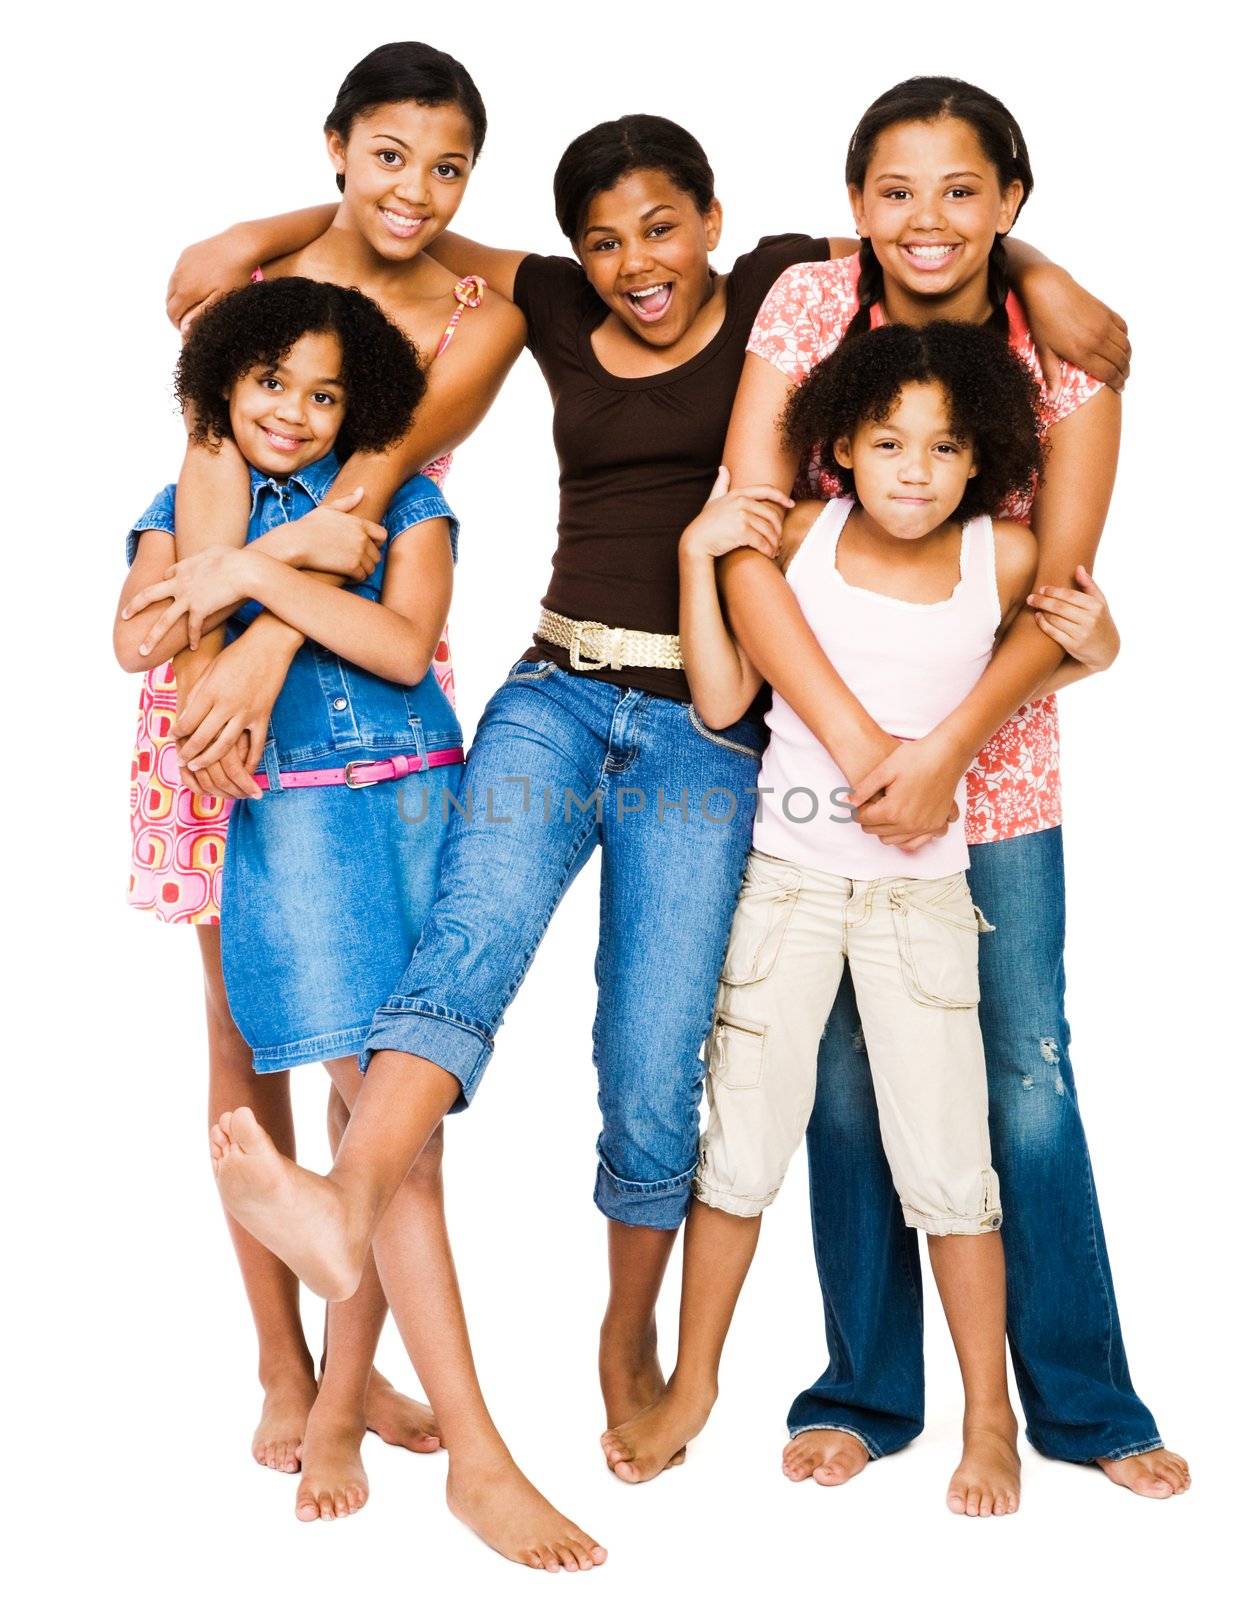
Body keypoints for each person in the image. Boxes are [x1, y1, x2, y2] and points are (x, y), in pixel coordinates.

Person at [186, 106, 1133, 1469]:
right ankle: (344, 1208)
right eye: (604, 237)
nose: (637, 257)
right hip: (562, 693)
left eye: (663, 225)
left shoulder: (777, 286)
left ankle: (635, 1336)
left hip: (709, 730)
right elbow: (406, 224)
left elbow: (928, 236)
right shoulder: (572, 299)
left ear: (714, 220)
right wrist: (260, 231)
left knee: (659, 1055)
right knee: (471, 945)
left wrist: (1040, 271)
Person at [123, 46, 608, 1566]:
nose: (412, 190)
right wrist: (214, 678)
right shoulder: (244, 293)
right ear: (336, 146)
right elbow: (204, 497)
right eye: (383, 156)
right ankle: (290, 1369)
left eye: (446, 166)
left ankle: (348, 1395)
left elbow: (367, 497)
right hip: (224, 713)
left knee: (369, 1071)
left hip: (351, 690)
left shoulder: (485, 309)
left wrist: (258, 637)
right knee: (241, 1042)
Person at [712, 74, 1188, 1499]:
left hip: (998, 772)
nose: (929, 219)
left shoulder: (1067, 348)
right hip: (821, 767)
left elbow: (1058, 589)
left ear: (1012, 202)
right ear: (857, 203)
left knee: (1024, 1072)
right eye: (897, 191)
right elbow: (746, 543)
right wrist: (865, 750)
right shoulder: (808, 305)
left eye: (964, 191)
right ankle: (867, 1391)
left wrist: (944, 752)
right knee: (847, 1082)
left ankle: (1086, 1407)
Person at [606, 319, 1062, 1514]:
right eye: (889, 441)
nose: (915, 467)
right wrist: (702, 555)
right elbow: (719, 696)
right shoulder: (796, 540)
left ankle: (990, 1419)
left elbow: (1091, 636)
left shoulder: (999, 556)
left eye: (946, 447)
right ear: (842, 451)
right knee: (740, 1151)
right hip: (789, 886)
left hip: (922, 900)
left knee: (952, 1169)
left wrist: (955, 745)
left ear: (981, 461)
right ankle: (694, 1384)